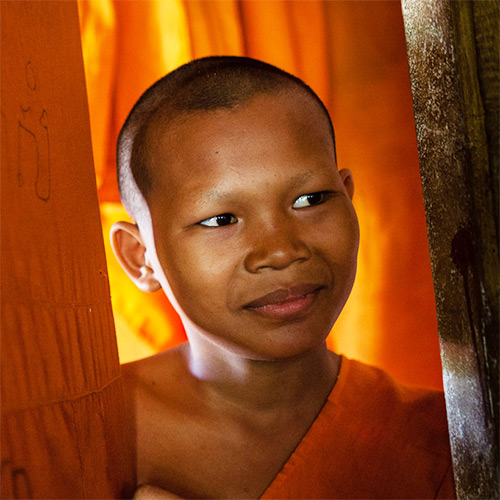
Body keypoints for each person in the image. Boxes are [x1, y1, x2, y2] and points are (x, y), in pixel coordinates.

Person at [110, 56, 455, 499]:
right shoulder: (87, 430)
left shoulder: (439, 441)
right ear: (141, 258)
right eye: (220, 220)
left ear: (349, 200)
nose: (281, 250)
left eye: (310, 199)